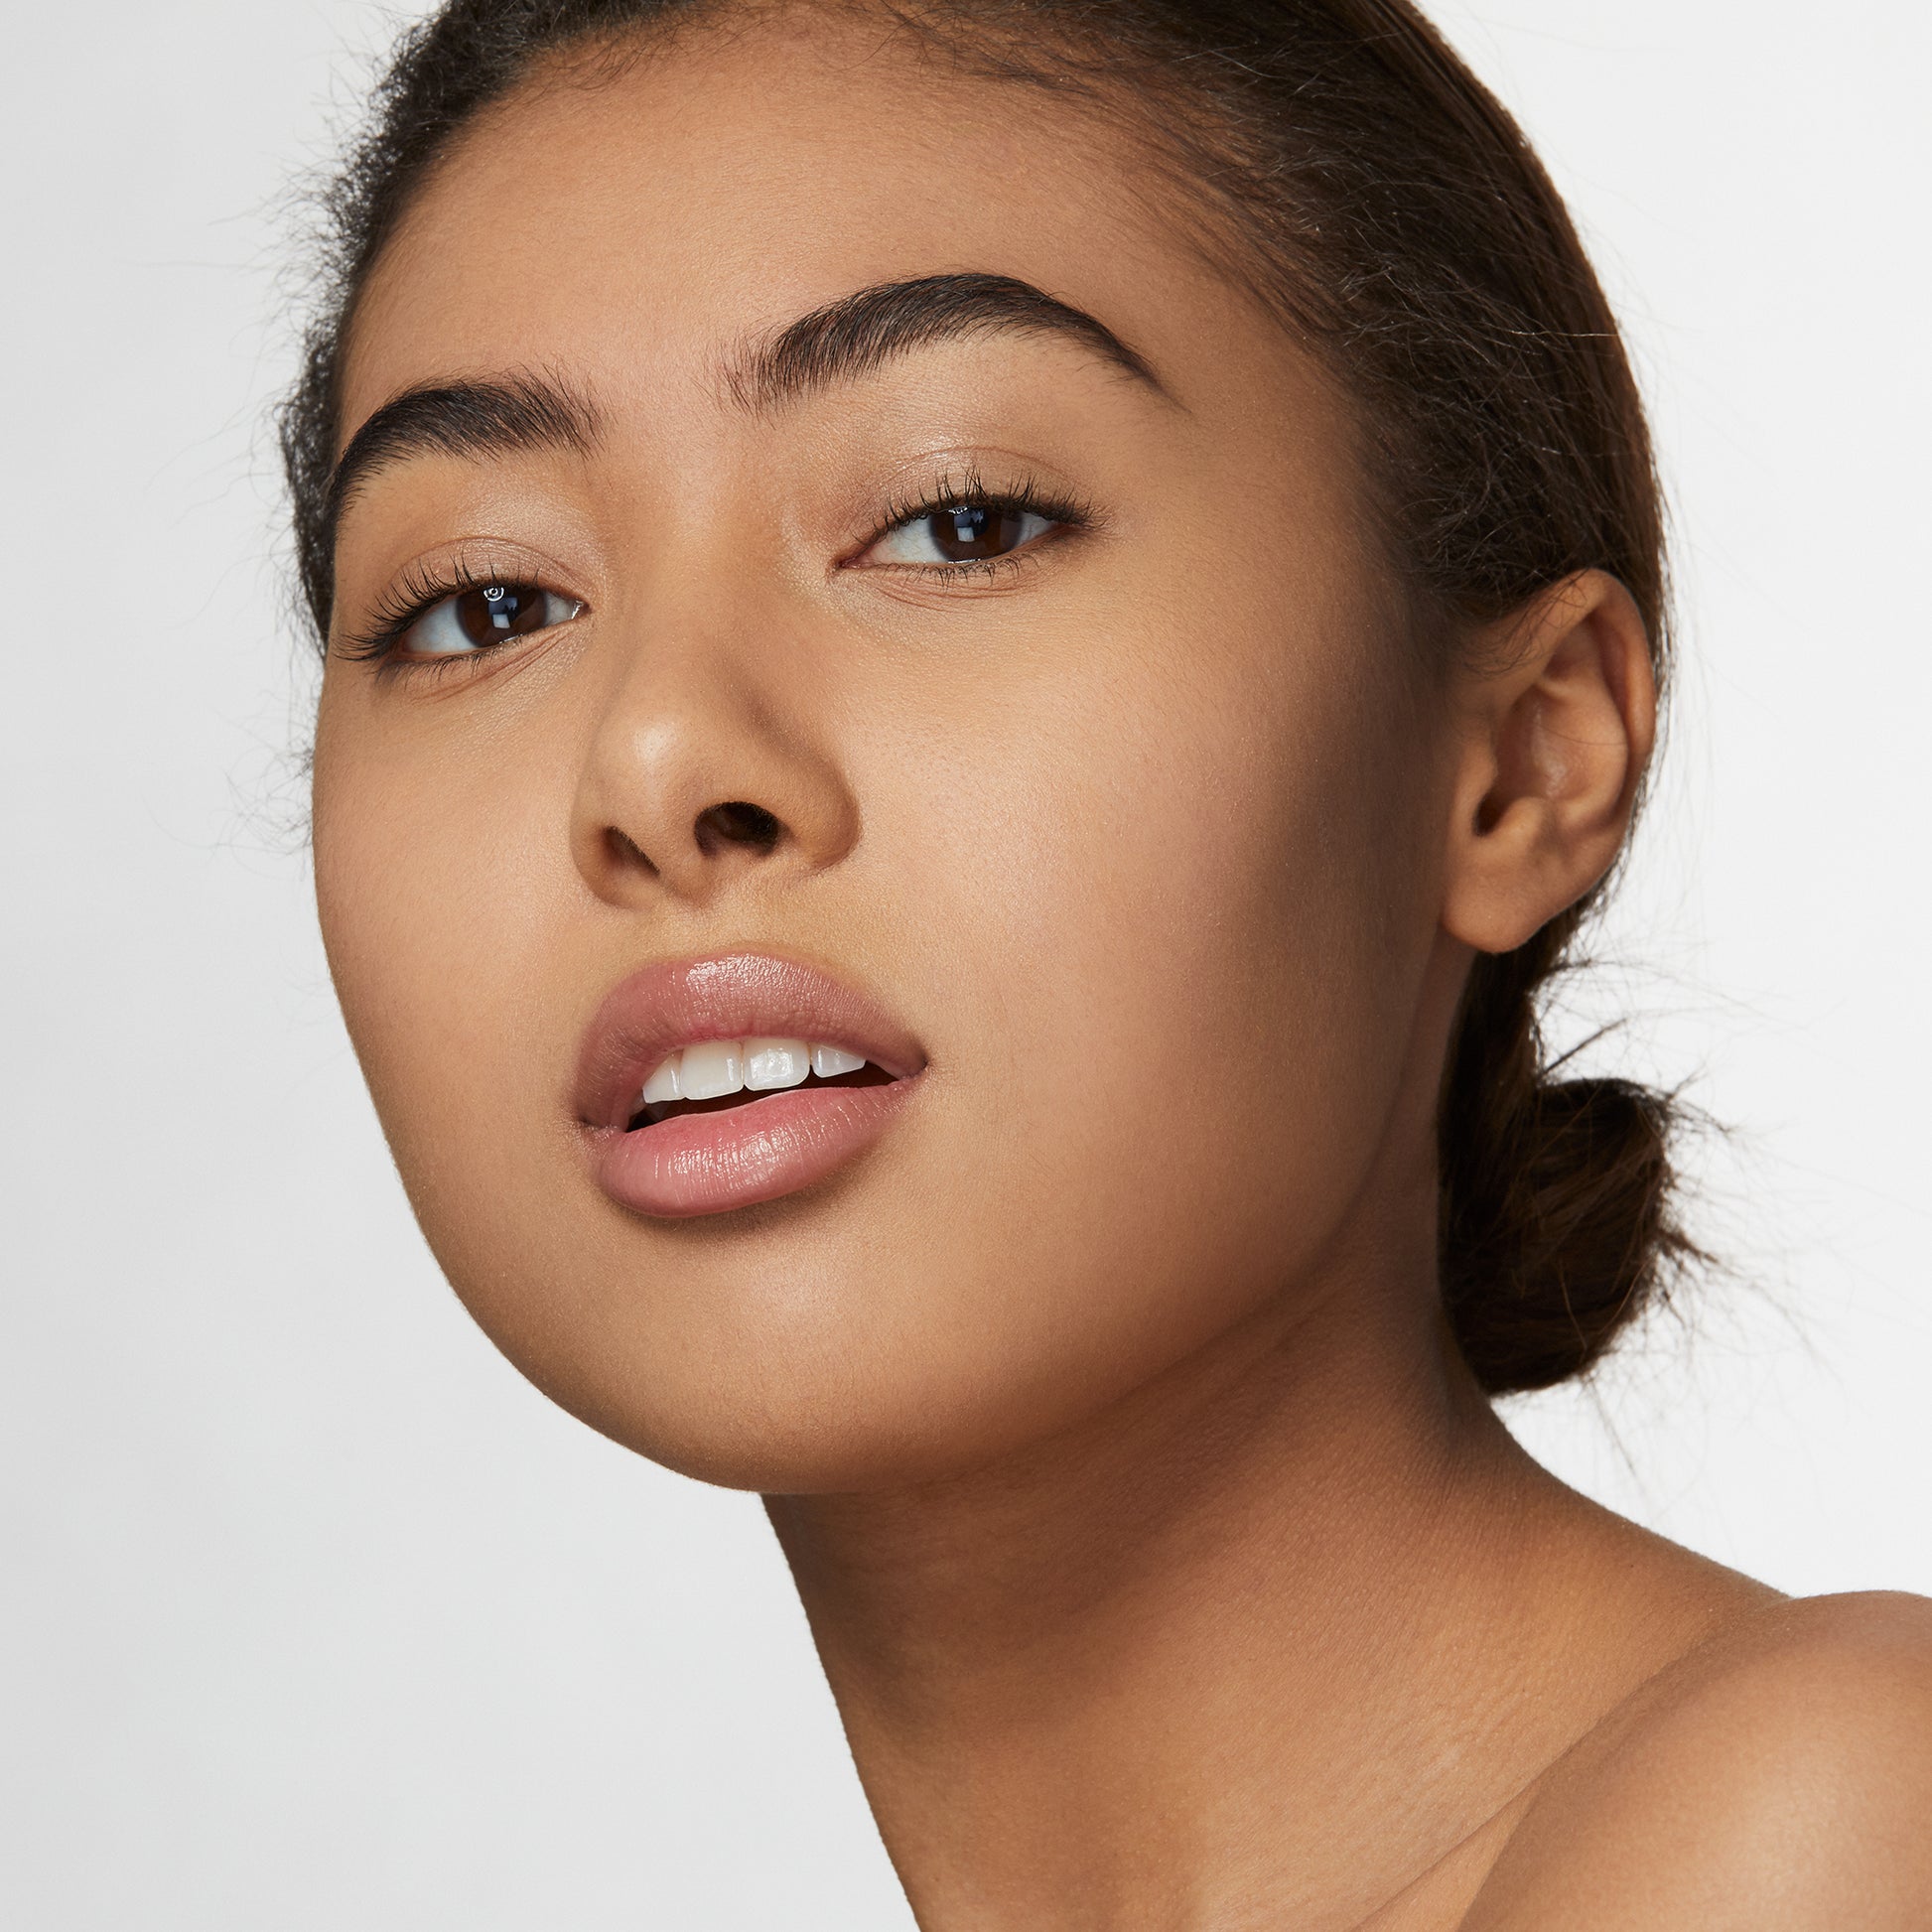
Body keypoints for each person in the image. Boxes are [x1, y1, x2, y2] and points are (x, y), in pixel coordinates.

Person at [285, 0, 1932, 1921]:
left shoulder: (1832, 1823)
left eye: (958, 520)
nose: (655, 759)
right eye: (486, 604)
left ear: (1517, 760)